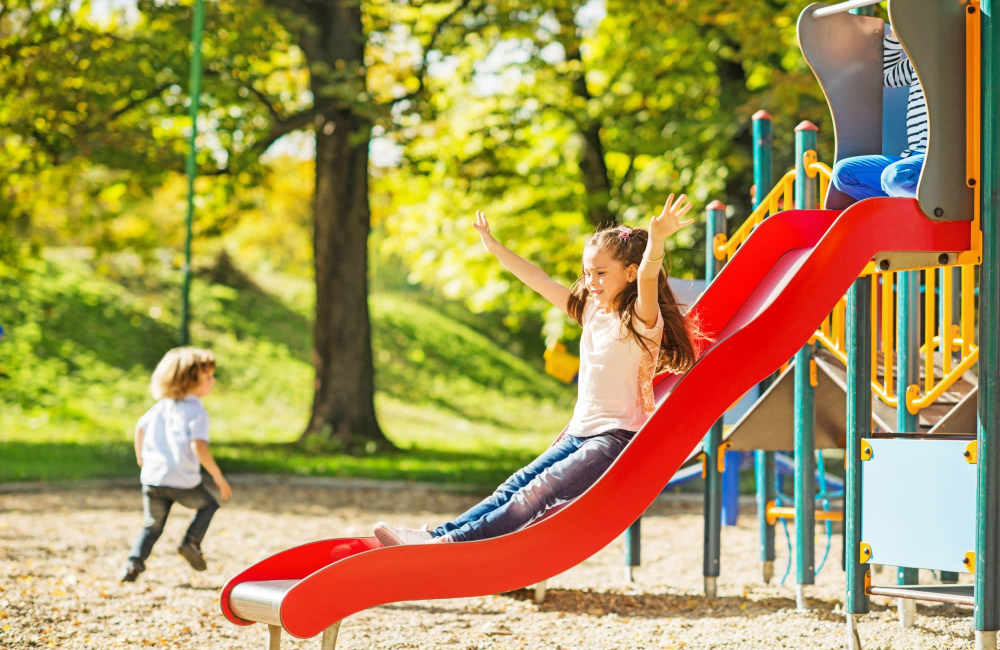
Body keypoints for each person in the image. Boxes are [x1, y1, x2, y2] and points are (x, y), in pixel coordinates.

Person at [374, 194, 698, 546]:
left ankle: (451, 544)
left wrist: (657, 242)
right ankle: (437, 534)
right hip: (579, 433)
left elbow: (650, 275)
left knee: (538, 491)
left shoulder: (641, 318)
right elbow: (538, 278)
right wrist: (494, 247)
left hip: (615, 438)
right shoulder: (590, 311)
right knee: (514, 485)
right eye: (588, 273)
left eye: (602, 273)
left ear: (630, 273)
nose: (592, 281)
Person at [120, 347, 232, 582]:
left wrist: (141, 457)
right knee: (208, 506)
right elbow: (198, 446)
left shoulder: (160, 407)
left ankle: (133, 565)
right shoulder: (197, 412)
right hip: (183, 481)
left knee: (152, 525)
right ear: (190, 381)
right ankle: (191, 542)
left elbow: (139, 428)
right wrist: (218, 476)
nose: (213, 381)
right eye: (208, 377)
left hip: (154, 479)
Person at [830, 29, 927, 200]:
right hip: (913, 157)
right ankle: (902, 205)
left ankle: (922, 207)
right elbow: (887, 77)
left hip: (936, 159)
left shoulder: (959, 60)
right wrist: (893, 39)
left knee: (896, 177)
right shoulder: (917, 63)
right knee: (844, 173)